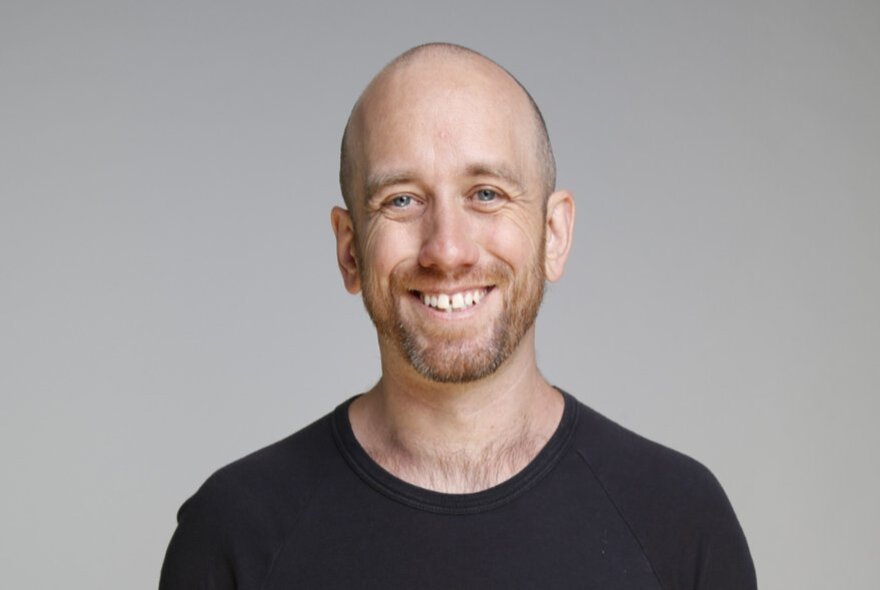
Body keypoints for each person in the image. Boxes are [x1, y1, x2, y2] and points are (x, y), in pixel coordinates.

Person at [159, 43, 756, 589]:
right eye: (402, 200)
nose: (447, 249)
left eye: (486, 193)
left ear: (554, 234)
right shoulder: (234, 533)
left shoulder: (680, 523)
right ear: (349, 250)